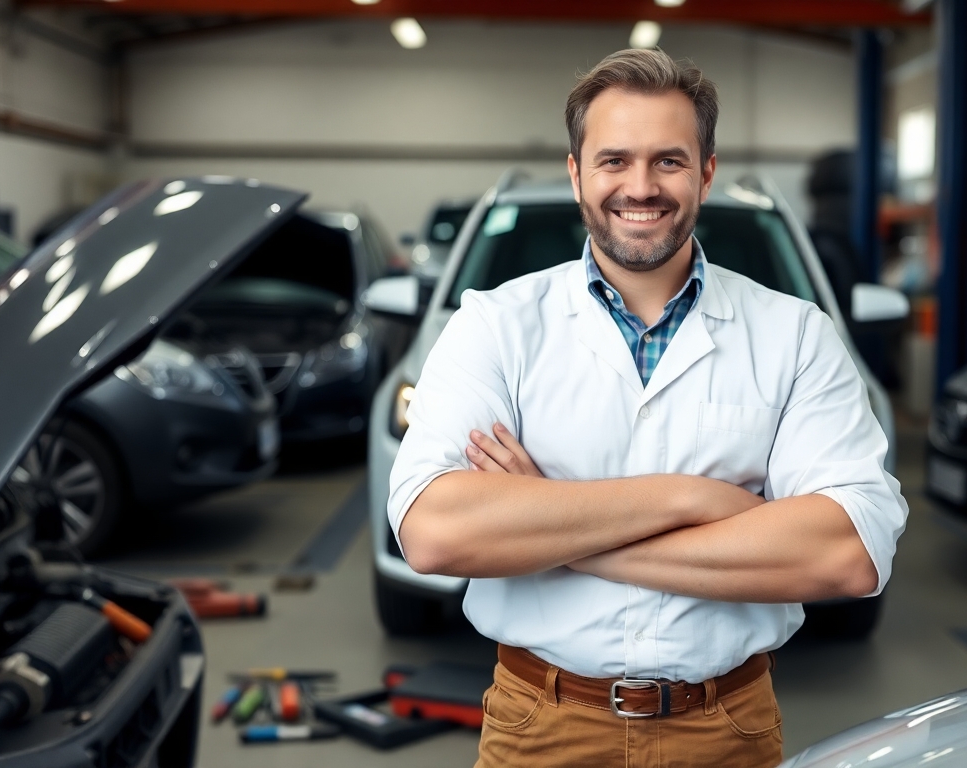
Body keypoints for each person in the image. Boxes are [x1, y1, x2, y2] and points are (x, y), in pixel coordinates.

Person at [387, 48, 907, 768]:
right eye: (613, 161)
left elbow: (847, 553)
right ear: (576, 174)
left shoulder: (794, 335)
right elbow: (435, 533)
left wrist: (547, 517)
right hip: (541, 722)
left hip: (726, 727)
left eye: (668, 160)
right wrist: (692, 498)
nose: (640, 186)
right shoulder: (493, 325)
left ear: (706, 172)